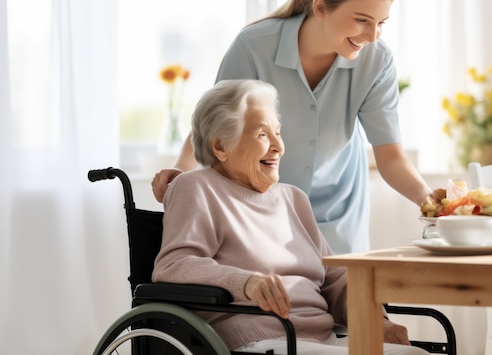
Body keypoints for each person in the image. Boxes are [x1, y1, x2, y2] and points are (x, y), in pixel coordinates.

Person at [152, 0, 445, 254]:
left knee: (345, 299)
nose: (372, 35)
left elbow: (391, 156)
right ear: (321, 7)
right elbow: (212, 127)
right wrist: (181, 170)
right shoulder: (255, 47)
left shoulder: (377, 61)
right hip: (260, 212)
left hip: (339, 218)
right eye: (361, 20)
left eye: (381, 22)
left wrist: (432, 202)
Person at [152, 79, 428, 355]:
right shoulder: (197, 187)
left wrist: (375, 320)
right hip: (262, 340)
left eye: (278, 133)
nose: (278, 147)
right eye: (262, 135)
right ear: (221, 146)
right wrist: (246, 282)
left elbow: (335, 280)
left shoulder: (293, 199)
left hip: (323, 338)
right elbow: (174, 265)